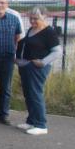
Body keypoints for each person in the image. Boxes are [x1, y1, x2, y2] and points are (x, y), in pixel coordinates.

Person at [16, 7, 62, 135]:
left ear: (44, 17)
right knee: (28, 94)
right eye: (31, 18)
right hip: (27, 66)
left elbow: (57, 51)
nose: (32, 21)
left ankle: (41, 124)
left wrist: (43, 62)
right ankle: (31, 120)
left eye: (36, 18)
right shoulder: (32, 29)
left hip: (37, 68)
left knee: (35, 94)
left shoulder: (49, 32)